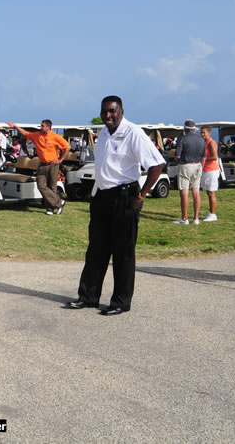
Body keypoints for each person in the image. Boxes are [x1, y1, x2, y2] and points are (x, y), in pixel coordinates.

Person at [67, 96, 164, 315]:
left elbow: (157, 164)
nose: (108, 116)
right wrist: (95, 192)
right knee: (96, 251)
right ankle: (88, 297)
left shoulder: (133, 133)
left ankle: (121, 301)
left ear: (121, 110)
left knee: (123, 252)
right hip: (101, 197)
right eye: (105, 112)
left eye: (112, 111)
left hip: (124, 196)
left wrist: (141, 194)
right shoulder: (103, 132)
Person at [7, 119, 69, 215]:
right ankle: (59, 202)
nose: (41, 127)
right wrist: (15, 126)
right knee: (41, 186)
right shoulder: (37, 135)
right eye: (41, 126)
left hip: (53, 165)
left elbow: (67, 147)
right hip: (42, 164)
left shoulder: (55, 136)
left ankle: (50, 209)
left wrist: (60, 159)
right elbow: (25, 133)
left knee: (52, 186)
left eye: (42, 126)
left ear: (48, 127)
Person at [173, 120, 205, 225]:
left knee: (184, 192)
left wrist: (176, 160)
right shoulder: (201, 139)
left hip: (185, 166)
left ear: (185, 129)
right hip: (198, 165)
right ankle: (196, 218)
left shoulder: (182, 139)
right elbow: (204, 156)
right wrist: (201, 167)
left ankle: (184, 218)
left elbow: (177, 156)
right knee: (196, 192)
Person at [200, 125, 220, 221]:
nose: (202, 134)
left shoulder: (211, 143)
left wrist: (202, 159)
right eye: (201, 132)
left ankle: (213, 214)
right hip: (206, 169)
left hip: (211, 170)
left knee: (211, 192)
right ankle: (210, 212)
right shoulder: (205, 142)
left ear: (209, 132)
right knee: (208, 192)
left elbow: (214, 157)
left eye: (204, 132)